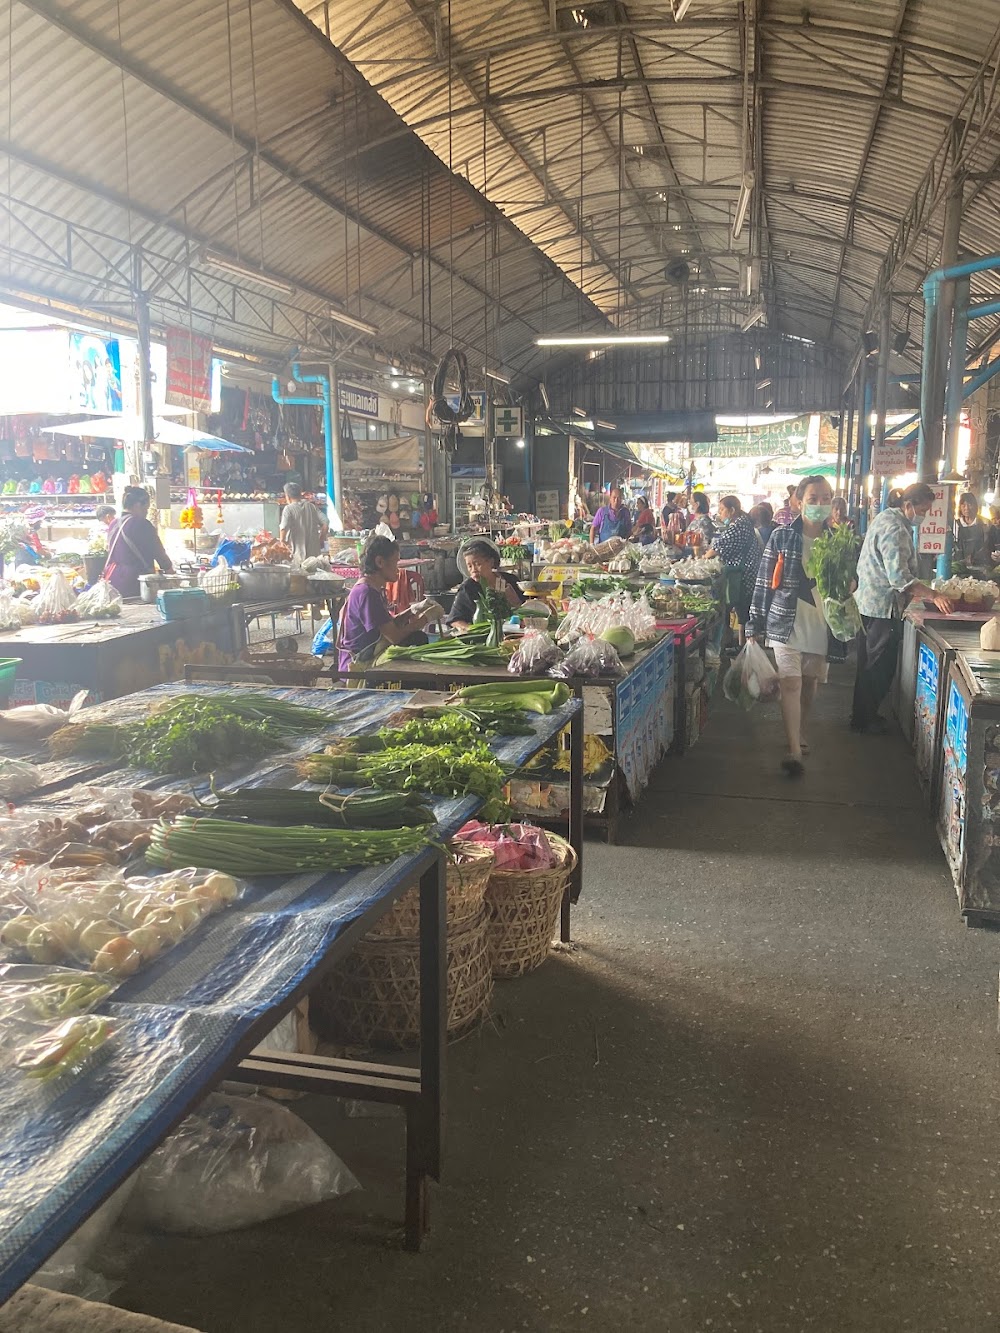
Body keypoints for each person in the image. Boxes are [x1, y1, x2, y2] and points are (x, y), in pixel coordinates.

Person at [747, 476, 848, 777]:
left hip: (822, 623)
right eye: (814, 498)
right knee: (790, 682)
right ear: (799, 501)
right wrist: (754, 621)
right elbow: (765, 581)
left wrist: (850, 583)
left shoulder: (837, 540)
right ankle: (793, 749)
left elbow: (848, 582)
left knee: (809, 684)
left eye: (826, 498)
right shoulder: (782, 537)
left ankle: (801, 730)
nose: (820, 504)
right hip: (785, 619)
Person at [852, 482, 955, 734]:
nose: (925, 516)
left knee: (869, 662)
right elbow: (898, 577)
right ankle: (864, 720)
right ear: (908, 505)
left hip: (871, 604)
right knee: (878, 666)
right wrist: (933, 595)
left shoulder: (887, 518)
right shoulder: (895, 528)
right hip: (882, 608)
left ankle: (862, 716)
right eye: (924, 510)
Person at [336, 535, 442, 674]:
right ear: (380, 562)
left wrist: (412, 610)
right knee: (417, 638)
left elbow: (387, 625)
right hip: (360, 661)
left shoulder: (372, 589)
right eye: (395, 562)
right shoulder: (367, 593)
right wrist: (426, 618)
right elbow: (394, 636)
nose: (398, 569)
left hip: (369, 652)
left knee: (415, 638)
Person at [708, 496, 763, 646]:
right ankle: (741, 647)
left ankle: (741, 647)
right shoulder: (743, 522)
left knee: (741, 611)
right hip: (748, 572)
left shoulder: (738, 525)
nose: (720, 513)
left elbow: (717, 549)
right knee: (743, 613)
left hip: (744, 575)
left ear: (732, 510)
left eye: (722, 510)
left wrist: (701, 559)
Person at [104, 487, 174, 599]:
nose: (146, 513)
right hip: (136, 582)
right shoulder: (141, 524)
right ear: (137, 505)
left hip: (114, 581)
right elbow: (158, 551)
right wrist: (170, 570)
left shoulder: (114, 524)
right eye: (146, 509)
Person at [446, 539, 525, 630]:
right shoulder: (467, 588)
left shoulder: (510, 580)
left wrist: (515, 602)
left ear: (491, 562)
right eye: (469, 566)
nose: (473, 569)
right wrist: (473, 631)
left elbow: (529, 609)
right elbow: (454, 620)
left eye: (477, 564)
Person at [279, 482, 328, 563]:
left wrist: (282, 542)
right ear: (300, 494)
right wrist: (321, 539)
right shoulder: (312, 507)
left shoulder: (288, 509)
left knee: (299, 575)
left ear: (287, 496)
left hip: (297, 555)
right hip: (314, 556)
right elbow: (325, 522)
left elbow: (283, 528)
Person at [954, 492, 991, 570]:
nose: (966, 508)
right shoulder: (955, 525)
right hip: (960, 566)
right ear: (960, 507)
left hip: (980, 566)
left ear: (975, 506)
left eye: (969, 505)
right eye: (963, 505)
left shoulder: (985, 523)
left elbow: (989, 545)